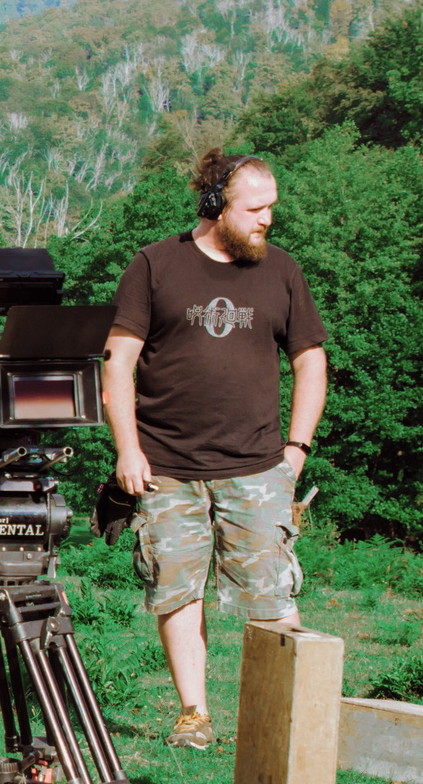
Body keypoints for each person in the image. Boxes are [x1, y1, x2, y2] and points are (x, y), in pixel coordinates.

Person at [104, 148, 328, 751]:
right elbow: (118, 363)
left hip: (257, 467)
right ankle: (194, 715)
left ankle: (292, 723)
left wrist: (297, 448)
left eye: (271, 208)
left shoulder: (282, 270)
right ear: (214, 205)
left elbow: (311, 361)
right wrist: (128, 449)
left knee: (272, 595)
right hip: (166, 468)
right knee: (177, 590)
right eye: (255, 209)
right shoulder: (154, 265)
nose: (267, 219)